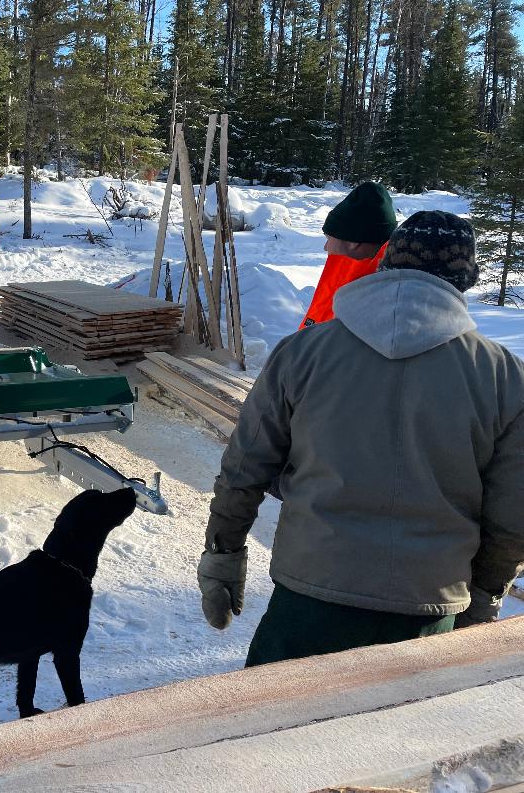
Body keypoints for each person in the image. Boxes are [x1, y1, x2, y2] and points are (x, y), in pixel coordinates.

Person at [197, 210, 524, 668]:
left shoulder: (304, 352)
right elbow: (512, 512)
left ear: (386, 262)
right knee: (397, 739)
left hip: (310, 596)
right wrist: (487, 593)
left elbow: (245, 466)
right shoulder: (504, 376)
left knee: (275, 735)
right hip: (427, 607)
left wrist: (223, 552)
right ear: (465, 279)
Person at [299, 181, 397, 328]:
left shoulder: (380, 293)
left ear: (353, 242)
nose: (325, 247)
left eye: (328, 238)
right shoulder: (350, 269)